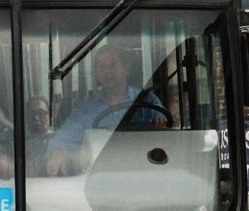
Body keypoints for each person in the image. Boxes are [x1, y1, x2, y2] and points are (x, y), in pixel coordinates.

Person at [45, 46, 166, 176]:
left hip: (145, 174)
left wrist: (160, 126)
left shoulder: (148, 101)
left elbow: (167, 134)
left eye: (113, 65)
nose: (107, 71)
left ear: (127, 69)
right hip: (98, 178)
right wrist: (57, 155)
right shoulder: (86, 109)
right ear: (96, 73)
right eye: (101, 67)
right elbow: (63, 139)